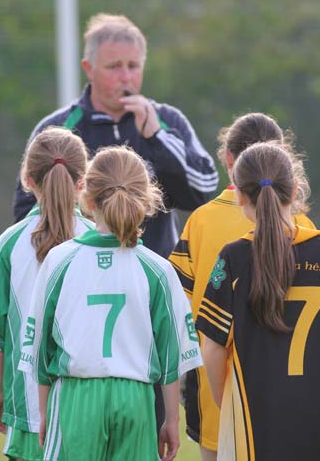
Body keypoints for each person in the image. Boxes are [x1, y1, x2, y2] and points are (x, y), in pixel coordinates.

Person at [18, 146, 203, 461]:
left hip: (76, 396)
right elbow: (171, 354)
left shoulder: (60, 260)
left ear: (88, 200)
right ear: (146, 203)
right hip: (136, 399)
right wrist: (171, 419)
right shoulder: (157, 269)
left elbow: (39, 347)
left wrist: (45, 410)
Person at [196, 141, 320, 461]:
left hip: (256, 415)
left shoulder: (234, 258)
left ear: (238, 195)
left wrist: (226, 402)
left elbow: (212, 346)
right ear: (295, 192)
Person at [169, 112, 315, 460]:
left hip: (217, 391)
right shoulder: (304, 227)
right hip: (288, 391)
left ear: (229, 160)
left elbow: (176, 312)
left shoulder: (200, 221)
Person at [13, 12, 218, 260]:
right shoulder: (58, 128)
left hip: (153, 276)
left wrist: (157, 138)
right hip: (79, 278)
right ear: (89, 68)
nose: (125, 77)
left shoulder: (167, 121)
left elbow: (202, 193)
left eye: (133, 66)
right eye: (114, 66)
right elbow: (27, 211)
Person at [0, 127, 95, 461]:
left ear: (27, 179)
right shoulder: (100, 240)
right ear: (83, 182)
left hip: (26, 412)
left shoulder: (8, 244)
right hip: (92, 406)